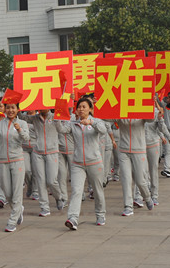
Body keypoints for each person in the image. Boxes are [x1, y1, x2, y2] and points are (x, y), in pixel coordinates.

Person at [55, 98, 107, 229]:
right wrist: (58, 117)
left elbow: (103, 130)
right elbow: (62, 130)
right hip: (78, 163)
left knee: (97, 190)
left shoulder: (96, 121)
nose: (81, 109)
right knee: (76, 191)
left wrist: (91, 122)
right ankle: (73, 218)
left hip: (94, 162)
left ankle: (100, 214)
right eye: (79, 107)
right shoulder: (73, 123)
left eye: (84, 107)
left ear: (90, 109)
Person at [0, 100, 30, 232]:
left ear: (18, 110)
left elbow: (26, 138)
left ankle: (12, 221)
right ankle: (18, 210)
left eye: (13, 108)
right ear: (5, 109)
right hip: (3, 160)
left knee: (17, 192)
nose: (10, 110)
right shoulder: (0, 123)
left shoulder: (22, 123)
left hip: (17, 160)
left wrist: (19, 130)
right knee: (7, 192)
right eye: (8, 108)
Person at [24, 109, 64, 216]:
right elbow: (22, 117)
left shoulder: (55, 116)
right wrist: (19, 106)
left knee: (51, 181)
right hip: (38, 153)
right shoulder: (35, 118)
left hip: (52, 152)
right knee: (40, 181)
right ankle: (44, 207)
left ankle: (58, 197)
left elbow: (61, 130)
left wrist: (58, 120)